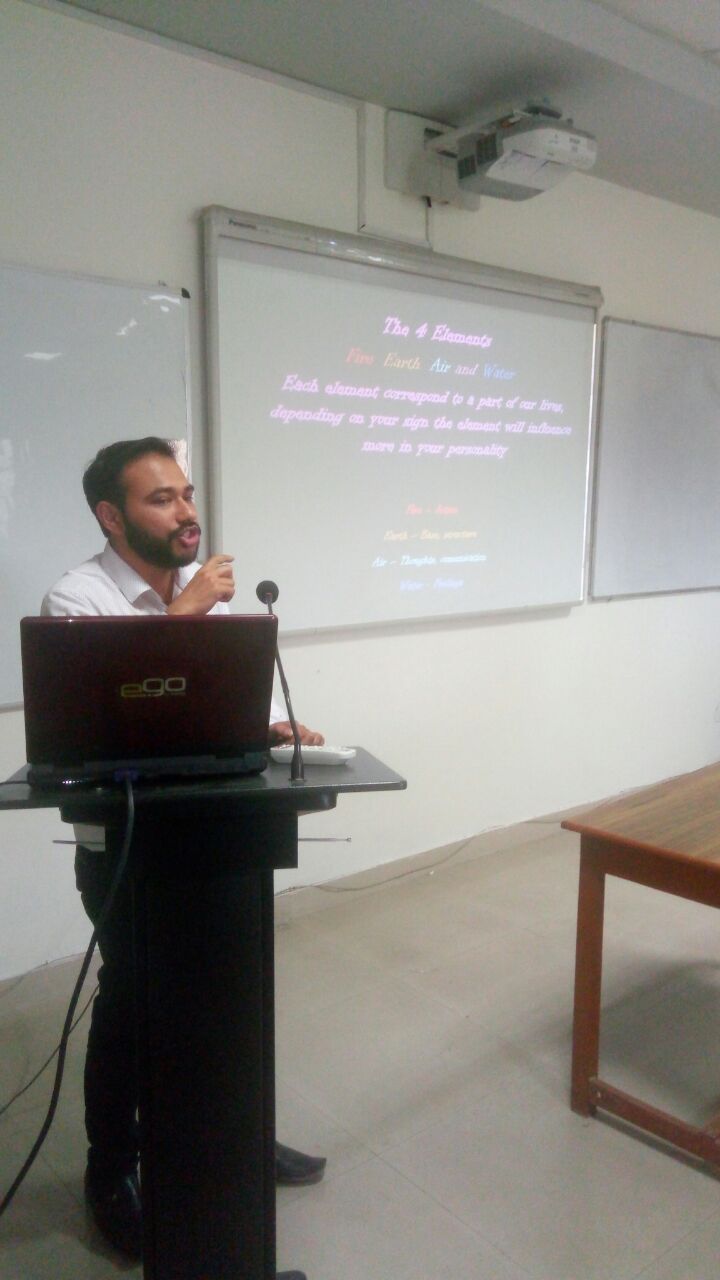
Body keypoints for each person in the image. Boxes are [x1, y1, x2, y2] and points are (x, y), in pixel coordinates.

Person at [42, 437, 326, 1262]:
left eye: (188, 493)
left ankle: (234, 1141)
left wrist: (265, 726)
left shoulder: (203, 595)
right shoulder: (78, 597)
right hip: (126, 844)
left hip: (217, 835)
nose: (187, 512)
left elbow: (205, 705)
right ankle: (112, 1168)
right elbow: (101, 714)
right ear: (112, 516)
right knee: (134, 996)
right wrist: (186, 614)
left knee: (228, 993)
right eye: (161, 498)